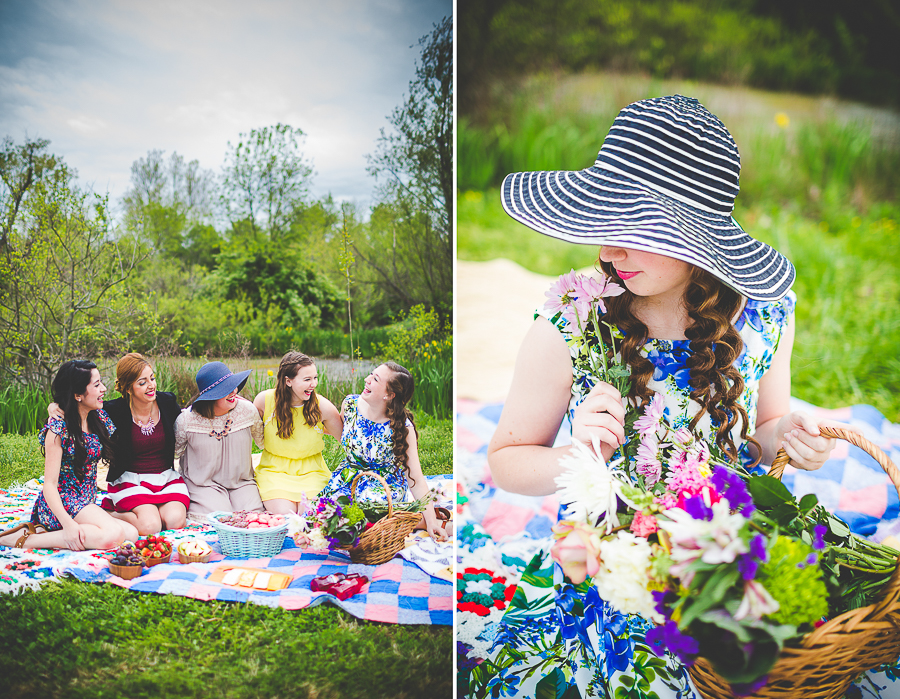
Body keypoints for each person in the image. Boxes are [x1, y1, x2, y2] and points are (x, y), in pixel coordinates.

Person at [473, 95, 843, 698]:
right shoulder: (572, 322)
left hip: (729, 551)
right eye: (602, 221)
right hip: (621, 563)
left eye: (635, 229)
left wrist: (792, 438)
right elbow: (506, 459)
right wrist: (581, 458)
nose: (609, 249)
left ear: (698, 237)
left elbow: (766, 422)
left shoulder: (767, 315)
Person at [0, 360, 138, 550]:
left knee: (131, 533)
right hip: (62, 501)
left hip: (85, 500)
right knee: (112, 536)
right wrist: (68, 524)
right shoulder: (58, 430)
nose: (104, 389)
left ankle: (49, 532)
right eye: (97, 385)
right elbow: (49, 485)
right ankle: (22, 540)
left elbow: (132, 403)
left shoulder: (98, 417)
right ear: (78, 394)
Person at [49, 353, 188, 534]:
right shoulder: (112, 411)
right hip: (132, 479)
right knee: (150, 526)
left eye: (152, 378)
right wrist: (53, 406)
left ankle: (151, 510)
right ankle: (109, 512)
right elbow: (80, 406)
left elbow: (190, 418)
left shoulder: (167, 402)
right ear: (128, 388)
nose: (151, 386)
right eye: (142, 382)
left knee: (175, 521)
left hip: (165, 477)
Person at [320, 362, 448, 541]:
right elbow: (344, 434)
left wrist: (432, 521)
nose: (367, 380)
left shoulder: (403, 428)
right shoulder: (350, 405)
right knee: (323, 512)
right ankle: (403, 518)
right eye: (371, 374)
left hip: (383, 485)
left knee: (363, 513)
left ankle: (422, 519)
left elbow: (416, 479)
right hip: (348, 477)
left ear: (389, 394)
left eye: (375, 379)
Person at [252, 352, 342, 514]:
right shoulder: (264, 401)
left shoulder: (323, 407)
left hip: (313, 471)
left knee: (308, 515)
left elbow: (348, 440)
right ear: (288, 381)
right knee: (286, 515)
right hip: (274, 471)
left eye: (315, 377)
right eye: (307, 379)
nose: (313, 384)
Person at [174, 361, 264, 517]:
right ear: (210, 397)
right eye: (226, 389)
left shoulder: (248, 410)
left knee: (252, 517)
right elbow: (173, 454)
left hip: (241, 483)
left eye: (234, 385)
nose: (234, 391)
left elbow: (263, 442)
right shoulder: (186, 420)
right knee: (220, 518)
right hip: (203, 485)